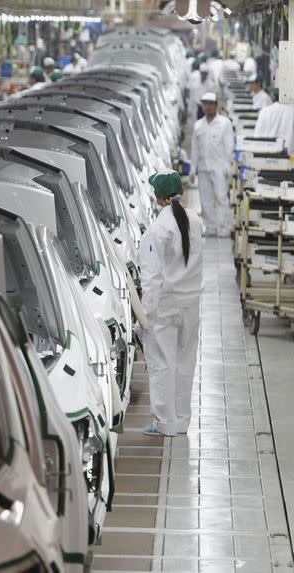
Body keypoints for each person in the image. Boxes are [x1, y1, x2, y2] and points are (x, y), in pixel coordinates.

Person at [139, 170, 204, 437]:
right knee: (185, 361)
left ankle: (165, 423)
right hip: (190, 303)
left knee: (163, 363)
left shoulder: (158, 228)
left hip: (165, 306)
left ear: (157, 197)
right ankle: (182, 420)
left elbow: (152, 277)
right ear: (182, 192)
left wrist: (146, 315)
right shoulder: (195, 221)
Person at [191, 92, 235, 237]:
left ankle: (225, 227)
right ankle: (210, 226)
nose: (208, 107)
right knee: (206, 199)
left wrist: (228, 165)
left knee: (222, 197)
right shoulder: (198, 125)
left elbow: (229, 145)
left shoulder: (224, 123)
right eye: (205, 104)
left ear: (216, 105)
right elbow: (194, 148)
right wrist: (192, 169)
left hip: (219, 167)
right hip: (203, 167)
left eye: (210, 104)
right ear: (202, 106)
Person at [254, 88, 294, 155]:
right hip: (290, 160)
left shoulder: (265, 111)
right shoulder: (292, 111)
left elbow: (257, 137)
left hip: (265, 158)